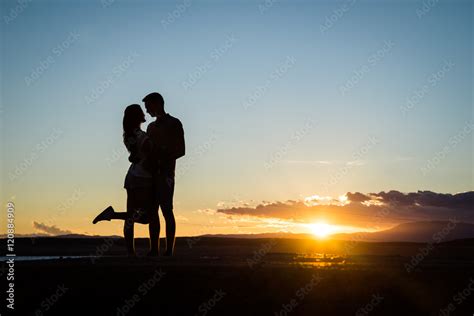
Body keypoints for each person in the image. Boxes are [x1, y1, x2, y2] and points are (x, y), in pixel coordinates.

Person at [92, 104, 156, 257]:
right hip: (143, 178)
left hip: (133, 177)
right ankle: (112, 215)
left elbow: (136, 155)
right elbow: (150, 152)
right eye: (141, 111)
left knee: (131, 216)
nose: (144, 112)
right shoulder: (140, 135)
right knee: (146, 217)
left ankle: (130, 252)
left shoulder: (128, 135)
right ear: (136, 116)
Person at [143, 92, 185, 256]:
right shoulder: (150, 127)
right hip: (150, 174)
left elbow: (181, 150)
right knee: (152, 211)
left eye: (148, 107)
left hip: (166, 174)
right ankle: (154, 250)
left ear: (157, 104)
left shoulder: (174, 123)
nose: (147, 111)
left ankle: (168, 251)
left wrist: (162, 156)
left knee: (167, 210)